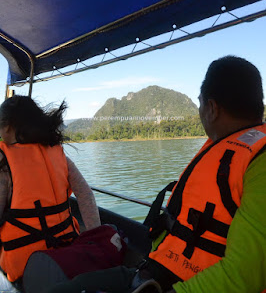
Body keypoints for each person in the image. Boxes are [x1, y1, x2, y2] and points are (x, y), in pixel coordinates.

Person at [44, 55, 266, 293]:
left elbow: (247, 273)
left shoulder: (258, 163)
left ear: (211, 108)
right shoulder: (228, 148)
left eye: (200, 103)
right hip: (155, 272)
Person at [0, 95, 101, 283]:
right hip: (69, 254)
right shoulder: (58, 153)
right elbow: (86, 195)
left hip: (27, 269)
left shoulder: (4, 162)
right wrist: (95, 239)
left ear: (7, 127)